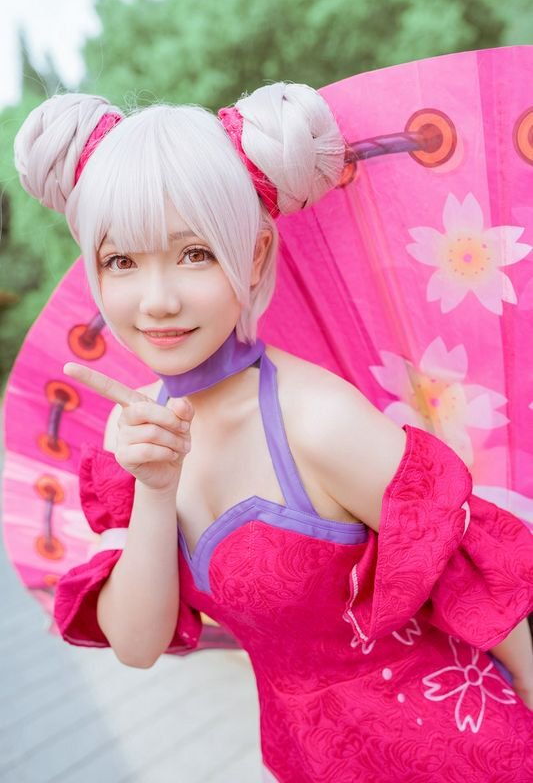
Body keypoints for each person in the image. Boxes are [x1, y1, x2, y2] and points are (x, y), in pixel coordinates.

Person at [13, 82, 533, 783]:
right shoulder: (130, 431)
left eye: (194, 253)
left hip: (459, 748)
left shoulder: (316, 418)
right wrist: (155, 489)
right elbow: (136, 646)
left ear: (254, 256)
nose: (157, 300)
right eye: (121, 261)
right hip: (305, 756)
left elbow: (472, 572)